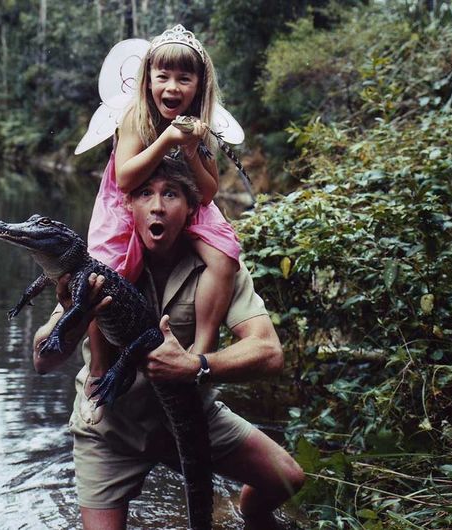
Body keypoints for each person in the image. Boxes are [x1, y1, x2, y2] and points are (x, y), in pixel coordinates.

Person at [33, 161, 304, 529]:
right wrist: (73, 311)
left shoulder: (220, 266)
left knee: (288, 478)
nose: (157, 206)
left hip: (193, 413)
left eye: (170, 194)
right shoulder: (102, 264)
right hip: (112, 427)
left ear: (191, 207)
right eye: (145, 193)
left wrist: (198, 365)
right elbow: (42, 361)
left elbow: (269, 353)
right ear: (128, 205)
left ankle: (251, 515)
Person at [88, 24, 239, 360]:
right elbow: (125, 179)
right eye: (163, 76)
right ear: (149, 80)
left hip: (183, 197)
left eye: (184, 79)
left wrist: (190, 152)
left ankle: (201, 348)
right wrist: (167, 139)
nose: (172, 87)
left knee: (224, 256)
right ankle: (98, 362)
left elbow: (209, 192)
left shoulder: (202, 122)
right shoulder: (135, 118)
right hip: (129, 200)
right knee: (103, 270)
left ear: (199, 85)